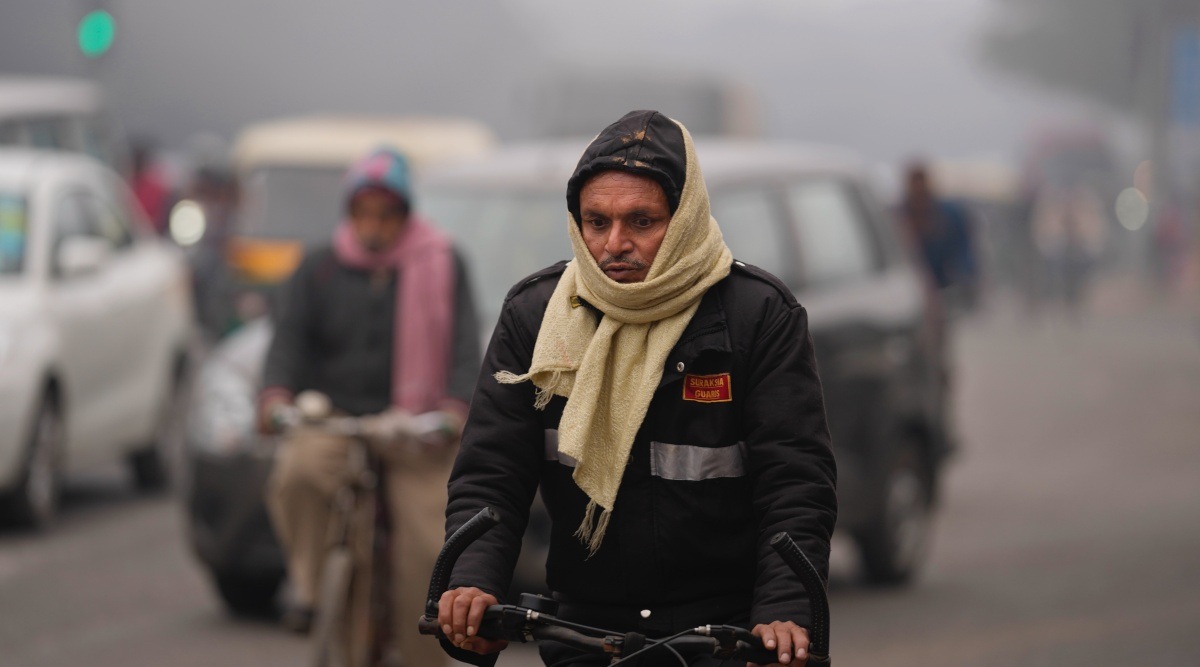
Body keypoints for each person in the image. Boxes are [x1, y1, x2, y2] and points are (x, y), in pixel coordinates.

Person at [435, 110, 838, 667]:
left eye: (641, 221)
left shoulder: (758, 316)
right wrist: (474, 582)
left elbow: (795, 484)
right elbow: (491, 474)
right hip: (580, 627)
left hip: (725, 632)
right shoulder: (535, 316)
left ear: (686, 217)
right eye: (596, 222)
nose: (614, 244)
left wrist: (786, 607)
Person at [260, 146, 480, 667]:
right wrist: (275, 399)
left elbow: (466, 352)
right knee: (298, 474)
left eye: (386, 214)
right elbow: (287, 345)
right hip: (333, 423)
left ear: (405, 214)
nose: (374, 226)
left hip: (413, 434)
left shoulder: (443, 262)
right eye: (363, 212)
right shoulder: (317, 268)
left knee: (428, 549)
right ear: (349, 213)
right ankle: (310, 589)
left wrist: (452, 411)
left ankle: (425, 656)